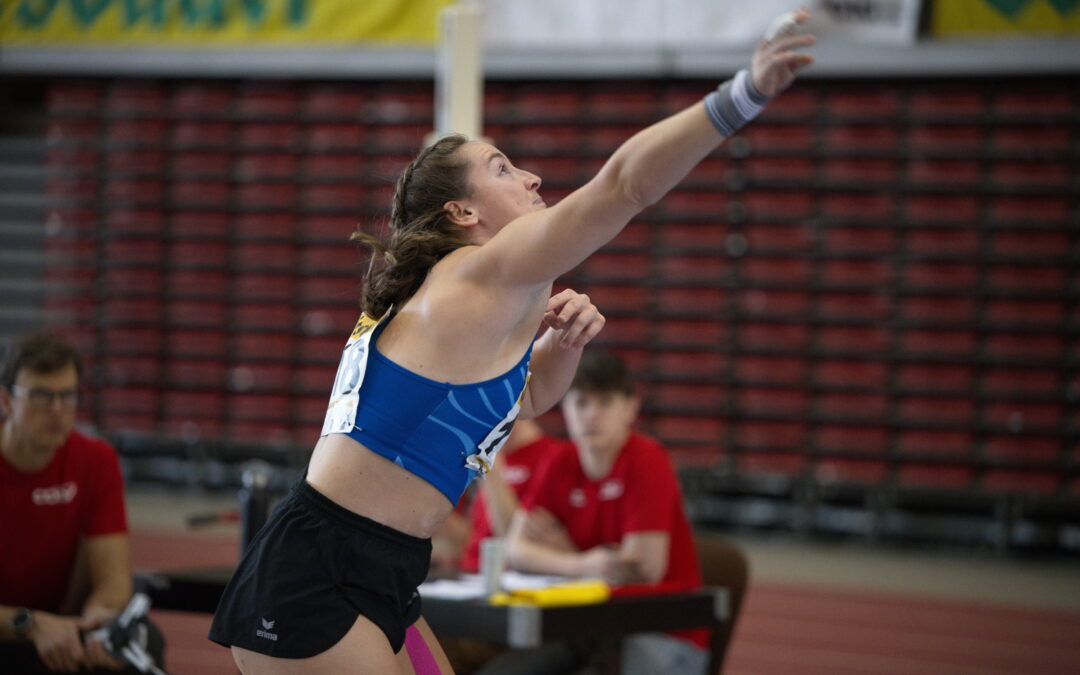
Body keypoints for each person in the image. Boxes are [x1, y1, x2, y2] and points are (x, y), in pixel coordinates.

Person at [208, 10, 814, 674]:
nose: (532, 179)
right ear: (463, 213)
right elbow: (624, 185)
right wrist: (743, 94)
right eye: (502, 168)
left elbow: (523, 402)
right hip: (319, 569)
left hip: (386, 568)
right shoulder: (472, 273)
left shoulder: (479, 308)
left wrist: (564, 346)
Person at [488, 348, 739, 675]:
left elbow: (641, 568)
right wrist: (585, 563)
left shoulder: (647, 459)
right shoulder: (559, 461)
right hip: (586, 627)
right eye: (580, 403)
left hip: (660, 632)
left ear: (631, 408)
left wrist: (563, 554)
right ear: (565, 409)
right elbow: (516, 549)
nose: (591, 415)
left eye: (604, 403)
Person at [0, 332, 163, 674]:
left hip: (62, 625)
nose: (57, 409)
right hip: (12, 625)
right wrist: (30, 624)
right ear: (6, 402)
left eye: (68, 395)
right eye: (42, 396)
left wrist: (98, 626)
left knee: (143, 643)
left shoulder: (95, 459)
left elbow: (113, 582)